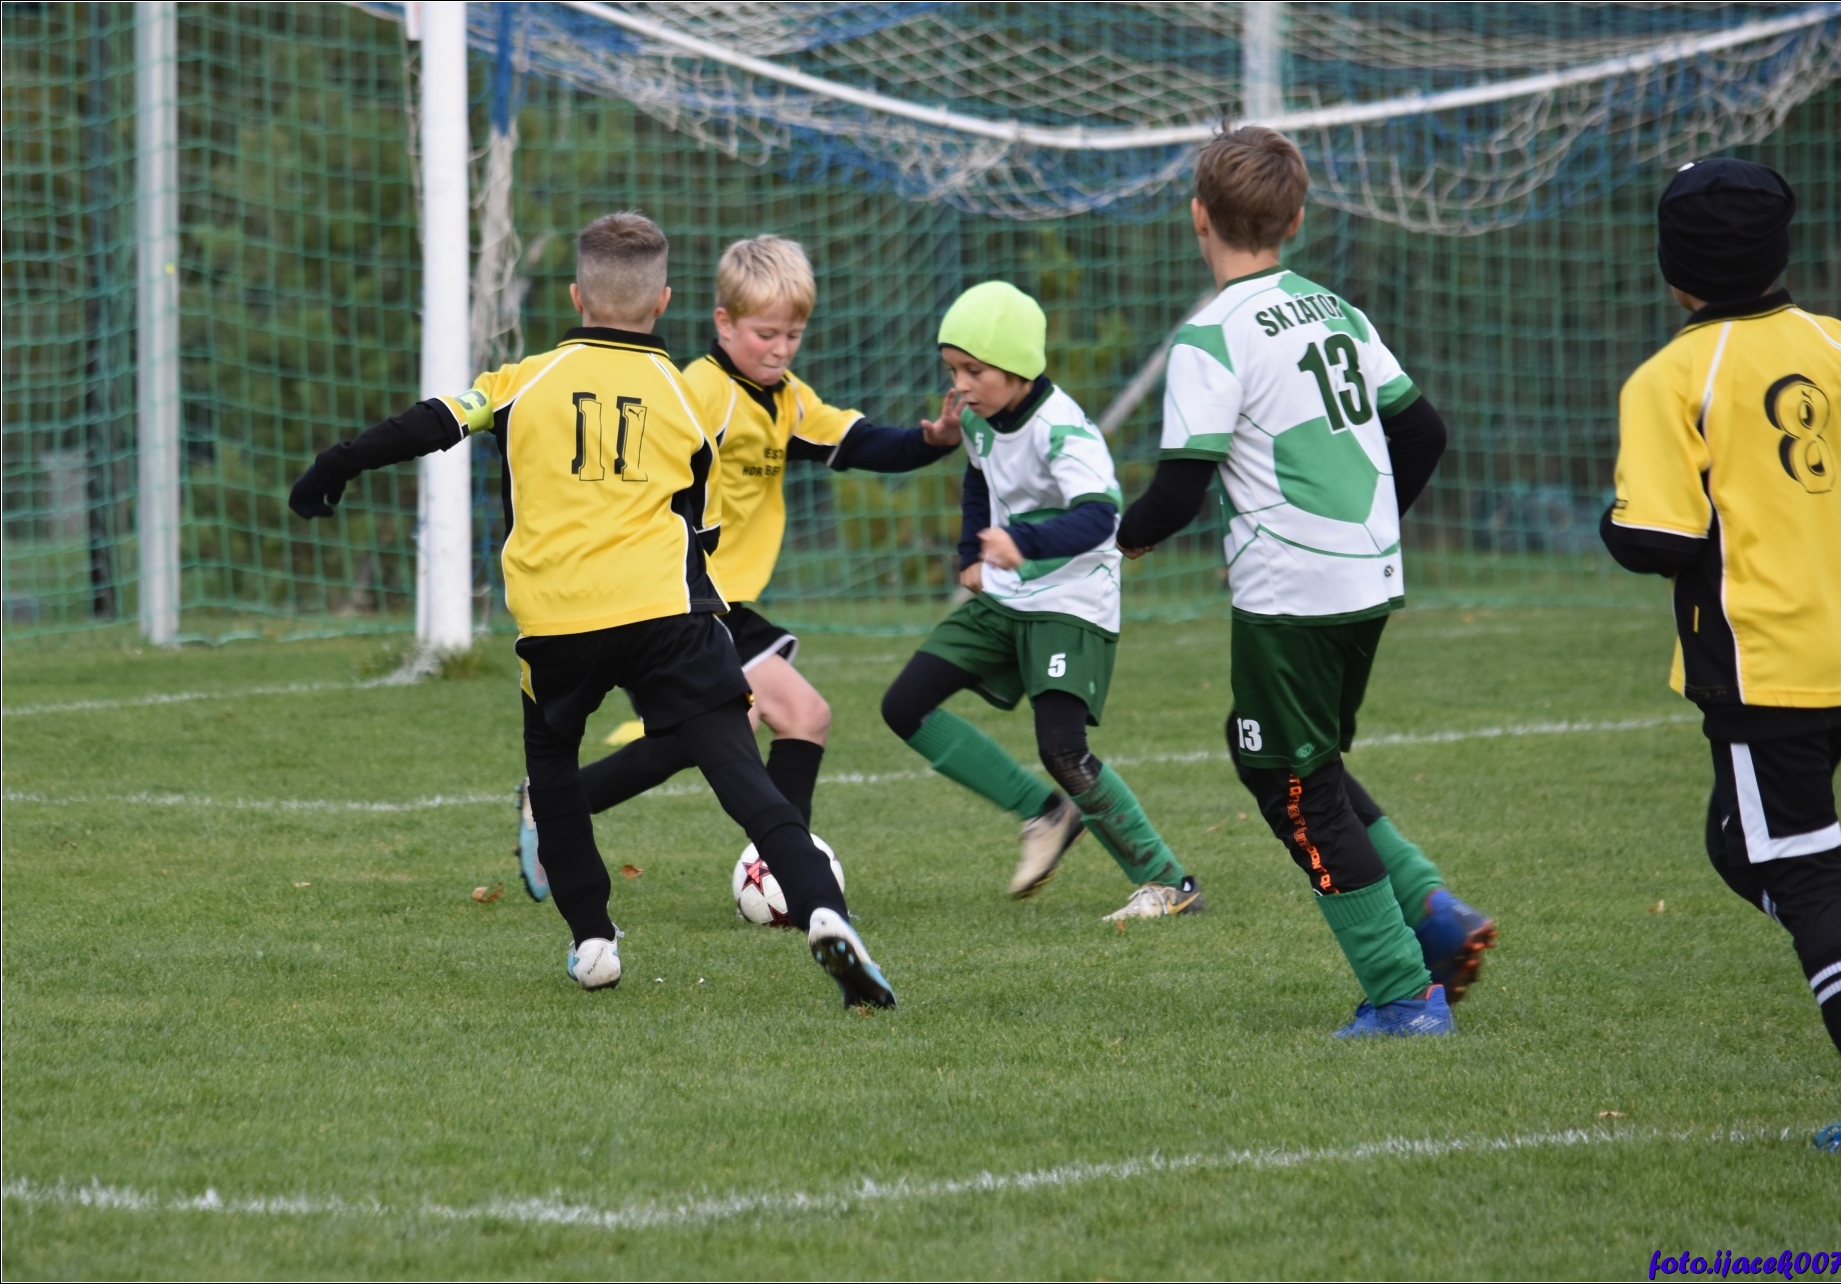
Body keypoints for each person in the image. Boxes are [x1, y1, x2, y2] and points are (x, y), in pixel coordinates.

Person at [287, 212, 894, 1008]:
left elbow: (430, 423)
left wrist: (334, 467)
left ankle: (593, 940)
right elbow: (702, 530)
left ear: (577, 295)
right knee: (741, 772)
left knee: (553, 769)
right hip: (665, 616)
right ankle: (823, 911)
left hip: (558, 623)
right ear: (664, 302)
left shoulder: (524, 379)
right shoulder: (686, 399)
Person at [1117, 127, 1494, 1036]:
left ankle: (1403, 995)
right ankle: (1435, 915)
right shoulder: (1336, 311)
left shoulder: (1214, 335)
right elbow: (1425, 433)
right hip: (1367, 579)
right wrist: (1365, 531)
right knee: (1288, 758)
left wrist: (1117, 541)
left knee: (1298, 789)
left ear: (1198, 217)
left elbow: (1179, 489)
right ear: (1294, 220)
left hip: (1293, 594)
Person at [1599, 158, 1841, 1156]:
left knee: (1804, 878)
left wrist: (1611, 524)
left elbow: (1657, 537)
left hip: (1762, 664)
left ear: (1674, 271)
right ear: (1780, 251)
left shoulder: (1671, 378)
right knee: (1741, 845)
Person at [510, 236, 959, 900]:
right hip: (679, 598)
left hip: (719, 602)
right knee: (795, 714)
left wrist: (931, 441)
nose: (780, 350)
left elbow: (858, 441)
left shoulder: (787, 399)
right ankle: (789, 878)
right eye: (765, 334)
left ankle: (555, 800)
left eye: (793, 336)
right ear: (724, 322)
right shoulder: (700, 390)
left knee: (765, 724)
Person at [879, 281, 1203, 921]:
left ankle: (1170, 884)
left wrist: (1021, 543)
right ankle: (1045, 812)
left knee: (1063, 749)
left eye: (974, 371)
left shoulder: (1064, 430)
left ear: (1018, 365)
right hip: (1009, 595)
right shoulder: (977, 420)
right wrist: (971, 555)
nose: (961, 385)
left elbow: (1100, 516)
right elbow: (978, 478)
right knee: (904, 705)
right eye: (952, 370)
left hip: (1072, 600)